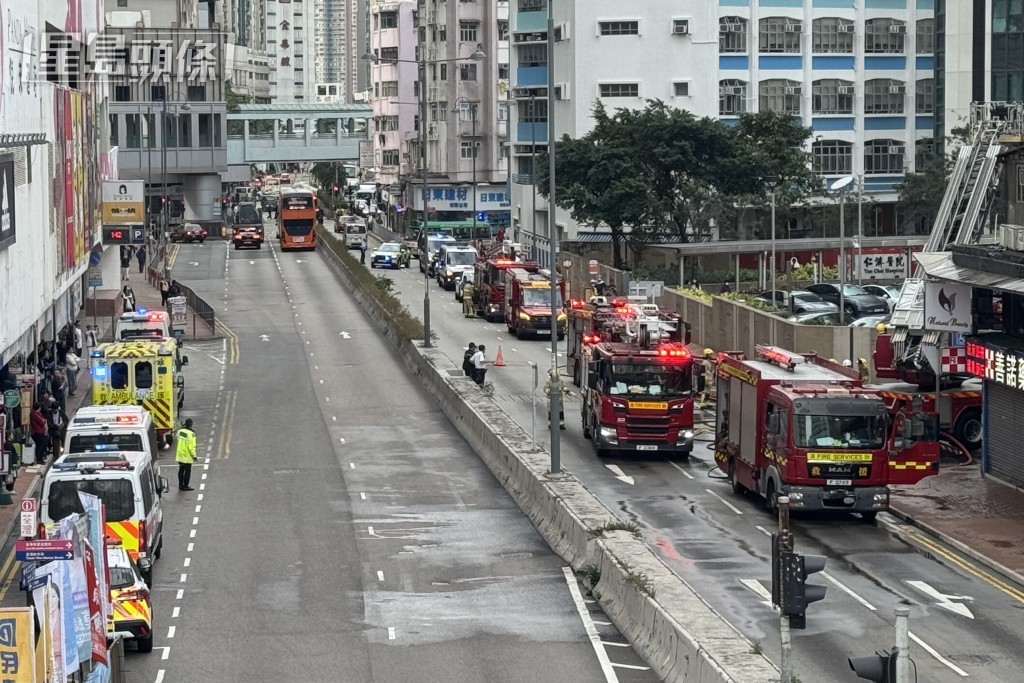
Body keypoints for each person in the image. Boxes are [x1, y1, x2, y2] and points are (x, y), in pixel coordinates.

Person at [176, 418, 197, 491]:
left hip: (180, 455)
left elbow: (179, 439)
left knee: (181, 471)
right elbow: (191, 447)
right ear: (191, 424)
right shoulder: (191, 434)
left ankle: (180, 484)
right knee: (187, 472)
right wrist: (194, 456)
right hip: (187, 457)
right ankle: (185, 486)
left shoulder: (180, 431)